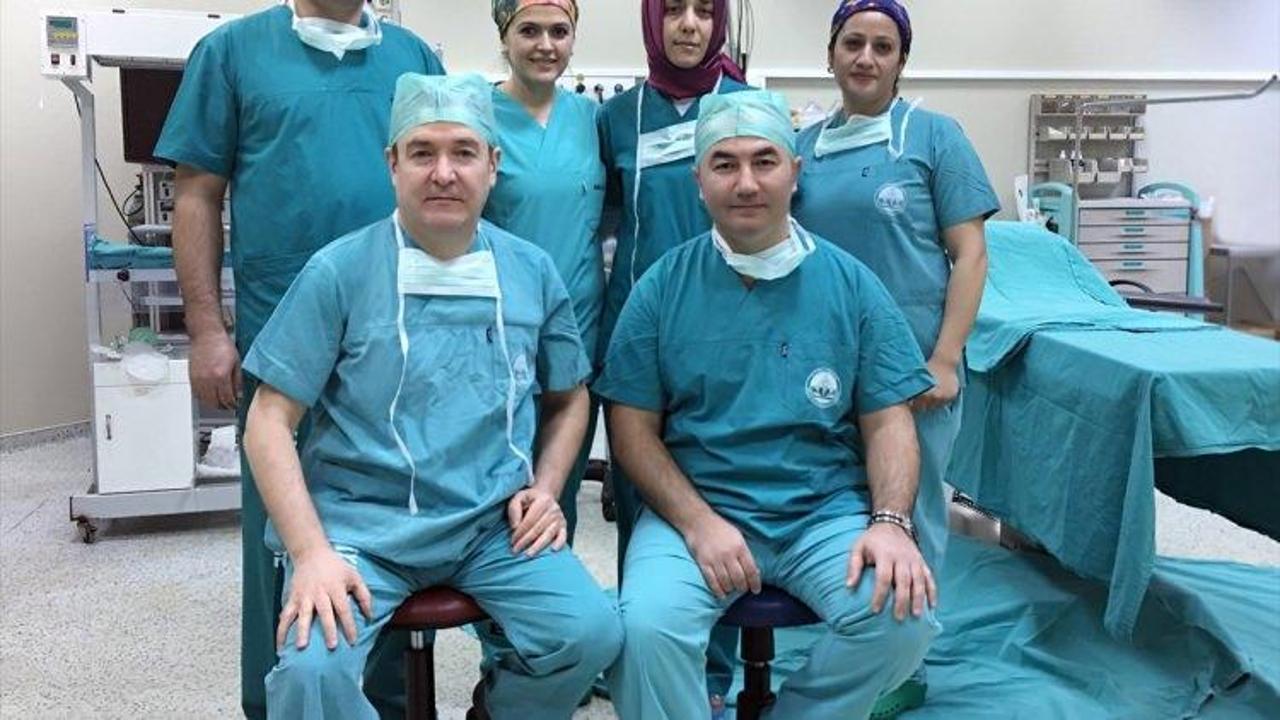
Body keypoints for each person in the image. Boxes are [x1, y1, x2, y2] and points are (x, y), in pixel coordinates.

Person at [241, 72, 622, 720]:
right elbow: (268, 421)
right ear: (393, 163)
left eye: (463, 152)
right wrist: (310, 554)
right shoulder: (339, 271)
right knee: (309, 676)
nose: (443, 173)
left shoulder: (531, 271)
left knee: (591, 634)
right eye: (422, 152)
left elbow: (569, 396)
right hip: (360, 527)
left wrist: (547, 487)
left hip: (492, 524)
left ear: (493, 165)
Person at [597, 89, 941, 720]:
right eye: (724, 164)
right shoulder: (662, 288)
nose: (746, 183)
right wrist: (698, 523)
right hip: (697, 507)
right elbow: (631, 429)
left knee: (902, 616)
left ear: (795, 171)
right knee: (645, 629)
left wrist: (891, 522)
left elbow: (889, 419)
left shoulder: (851, 285)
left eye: (764, 161)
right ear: (699, 181)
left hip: (823, 511)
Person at [153, 2, 444, 716]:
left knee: (394, 520)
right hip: (281, 337)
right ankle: (276, 699)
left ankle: (389, 699)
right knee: (280, 529)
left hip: (398, 340)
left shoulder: (413, 58)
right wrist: (206, 327)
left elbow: (448, 189)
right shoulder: (232, 53)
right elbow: (196, 195)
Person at [792, 2, 999, 713]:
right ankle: (855, 638)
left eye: (883, 47)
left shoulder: (934, 136)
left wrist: (945, 358)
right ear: (831, 54)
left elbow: (970, 254)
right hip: (824, 368)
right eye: (853, 43)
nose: (866, 58)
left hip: (912, 370)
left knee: (911, 509)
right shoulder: (805, 146)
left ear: (901, 61)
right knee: (840, 505)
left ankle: (905, 663)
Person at [597, 3, 748, 705]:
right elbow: (603, 219)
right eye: (674, 9)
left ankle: (714, 675)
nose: (688, 25)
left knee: (723, 493)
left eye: (704, 10)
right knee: (639, 496)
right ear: (650, 19)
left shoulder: (746, 107)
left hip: (728, 332)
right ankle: (642, 658)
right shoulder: (616, 118)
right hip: (635, 333)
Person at [483, 0, 604, 542]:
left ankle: (555, 584)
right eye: (529, 30)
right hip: (499, 330)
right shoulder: (479, 116)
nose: (546, 45)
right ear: (504, 37)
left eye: (560, 31)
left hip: (580, 329)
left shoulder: (591, 119)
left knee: (560, 487)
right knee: (498, 488)